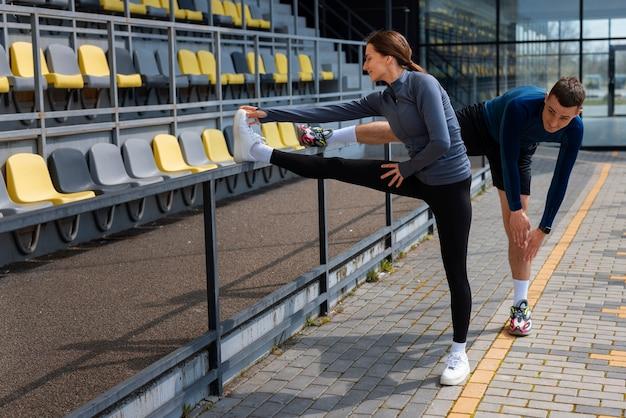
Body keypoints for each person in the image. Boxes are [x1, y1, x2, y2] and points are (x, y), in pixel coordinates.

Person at [233, 30, 474, 386]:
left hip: (450, 186)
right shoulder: (386, 98)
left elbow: (442, 141)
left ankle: (458, 352)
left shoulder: (422, 85)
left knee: (455, 271)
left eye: (368, 57)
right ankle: (259, 152)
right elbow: (330, 111)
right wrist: (270, 115)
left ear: (388, 58)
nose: (364, 65)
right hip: (417, 175)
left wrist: (405, 167)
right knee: (337, 166)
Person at [334, 77, 585, 336]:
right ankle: (330, 136)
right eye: (550, 111)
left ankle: (520, 306)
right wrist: (516, 210)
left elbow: (561, 177)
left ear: (577, 114)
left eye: (564, 118)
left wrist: (543, 229)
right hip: (481, 125)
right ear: (545, 99)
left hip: (520, 149)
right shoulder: (520, 107)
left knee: (520, 234)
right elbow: (505, 160)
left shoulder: (576, 129)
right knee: (411, 129)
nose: (553, 123)